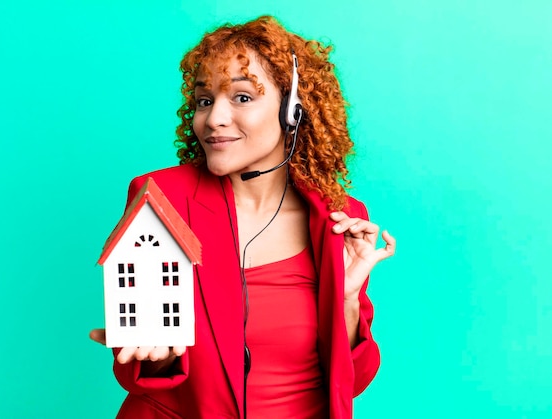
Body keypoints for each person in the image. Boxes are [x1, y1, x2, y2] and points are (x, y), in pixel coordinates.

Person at [90, 15, 396, 419]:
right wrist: (158, 358)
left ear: (293, 111)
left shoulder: (340, 219)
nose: (214, 118)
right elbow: (140, 371)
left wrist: (346, 299)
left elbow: (350, 383)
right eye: (204, 100)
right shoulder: (162, 197)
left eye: (242, 97)